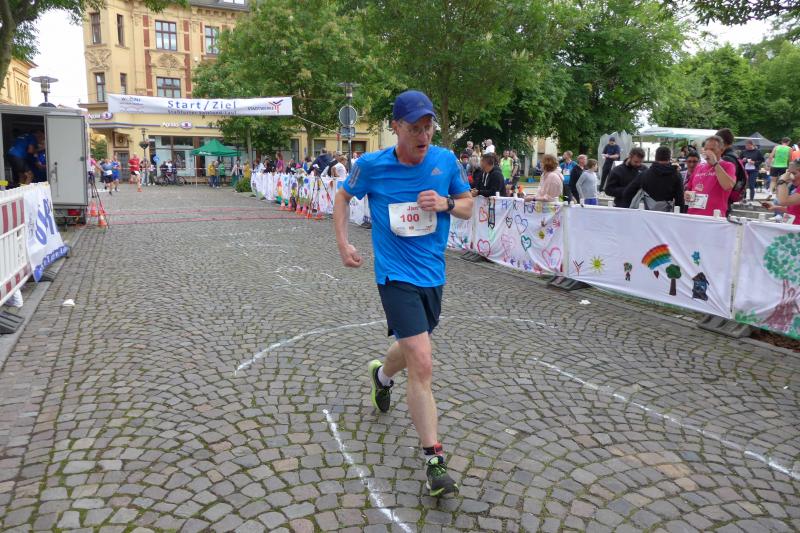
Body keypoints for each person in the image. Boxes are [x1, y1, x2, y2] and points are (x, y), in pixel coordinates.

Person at [333, 89, 473, 498]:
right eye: (414, 128)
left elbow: (468, 205)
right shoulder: (372, 165)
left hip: (433, 275)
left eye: (428, 127)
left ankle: (381, 375)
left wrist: (446, 203)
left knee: (413, 347)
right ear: (396, 127)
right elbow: (342, 197)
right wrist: (343, 243)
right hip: (394, 276)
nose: (423, 135)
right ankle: (434, 460)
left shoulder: (445, 161)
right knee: (423, 362)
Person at [684, 135, 735, 217]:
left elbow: (728, 186)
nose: (708, 152)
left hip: (714, 217)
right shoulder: (699, 167)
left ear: (721, 150)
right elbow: (689, 188)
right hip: (693, 214)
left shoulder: (728, 166)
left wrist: (715, 163)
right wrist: (686, 194)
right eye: (706, 149)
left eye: (712, 150)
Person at [622, 146, 685, 212]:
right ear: (669, 158)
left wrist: (627, 211)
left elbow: (627, 192)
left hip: (646, 214)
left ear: (655, 157)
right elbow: (680, 200)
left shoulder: (644, 174)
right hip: (666, 214)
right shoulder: (676, 175)